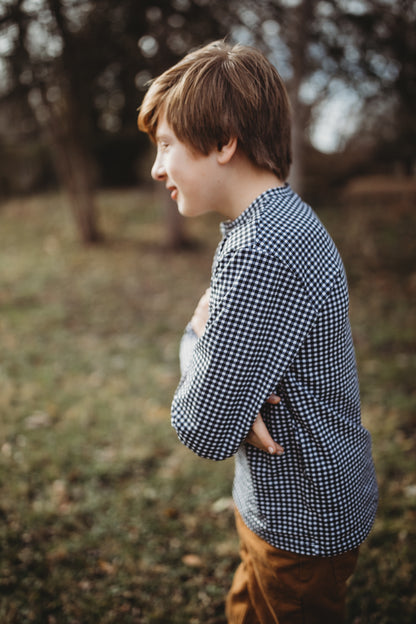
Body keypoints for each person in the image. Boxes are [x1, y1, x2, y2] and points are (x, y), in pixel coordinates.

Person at [137, 40, 378, 624]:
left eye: (167, 144)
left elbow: (203, 425)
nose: (156, 166)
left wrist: (198, 341)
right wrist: (231, 391)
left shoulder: (264, 248)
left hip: (301, 523)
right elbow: (226, 405)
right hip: (282, 504)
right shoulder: (275, 221)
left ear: (223, 141)